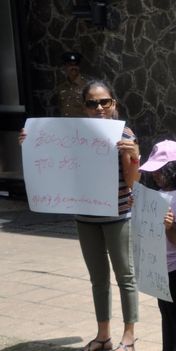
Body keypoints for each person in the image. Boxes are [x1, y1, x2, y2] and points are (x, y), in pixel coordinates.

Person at [20, 80, 140, 351]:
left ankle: (129, 336)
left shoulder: (125, 135)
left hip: (118, 216)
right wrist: (30, 143)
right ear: (84, 107)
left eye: (104, 102)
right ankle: (103, 335)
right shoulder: (72, 136)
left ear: (114, 104)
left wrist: (134, 157)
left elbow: (133, 183)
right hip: (85, 217)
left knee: (125, 277)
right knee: (98, 279)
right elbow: (51, 159)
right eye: (92, 103)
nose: (99, 107)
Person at [138, 140, 176, 351]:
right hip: (162, 264)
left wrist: (168, 226)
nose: (155, 175)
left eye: (160, 170)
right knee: (166, 312)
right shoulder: (163, 195)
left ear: (174, 169)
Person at [55, 52, 89, 117]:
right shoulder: (61, 87)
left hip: (81, 124)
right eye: (70, 65)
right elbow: (60, 106)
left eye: (76, 65)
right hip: (65, 123)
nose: (73, 67)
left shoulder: (87, 86)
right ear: (65, 67)